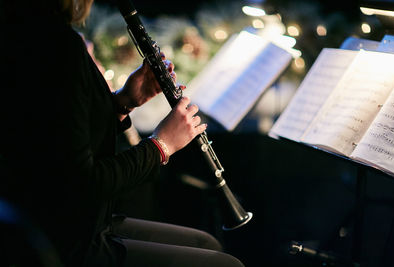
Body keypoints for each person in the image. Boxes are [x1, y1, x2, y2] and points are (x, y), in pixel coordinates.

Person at [0, 0, 245, 267]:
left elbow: (58, 136)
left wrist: (122, 103)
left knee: (206, 244)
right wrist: (161, 146)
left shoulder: (35, 31)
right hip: (64, 240)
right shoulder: (58, 47)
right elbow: (86, 184)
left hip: (67, 223)